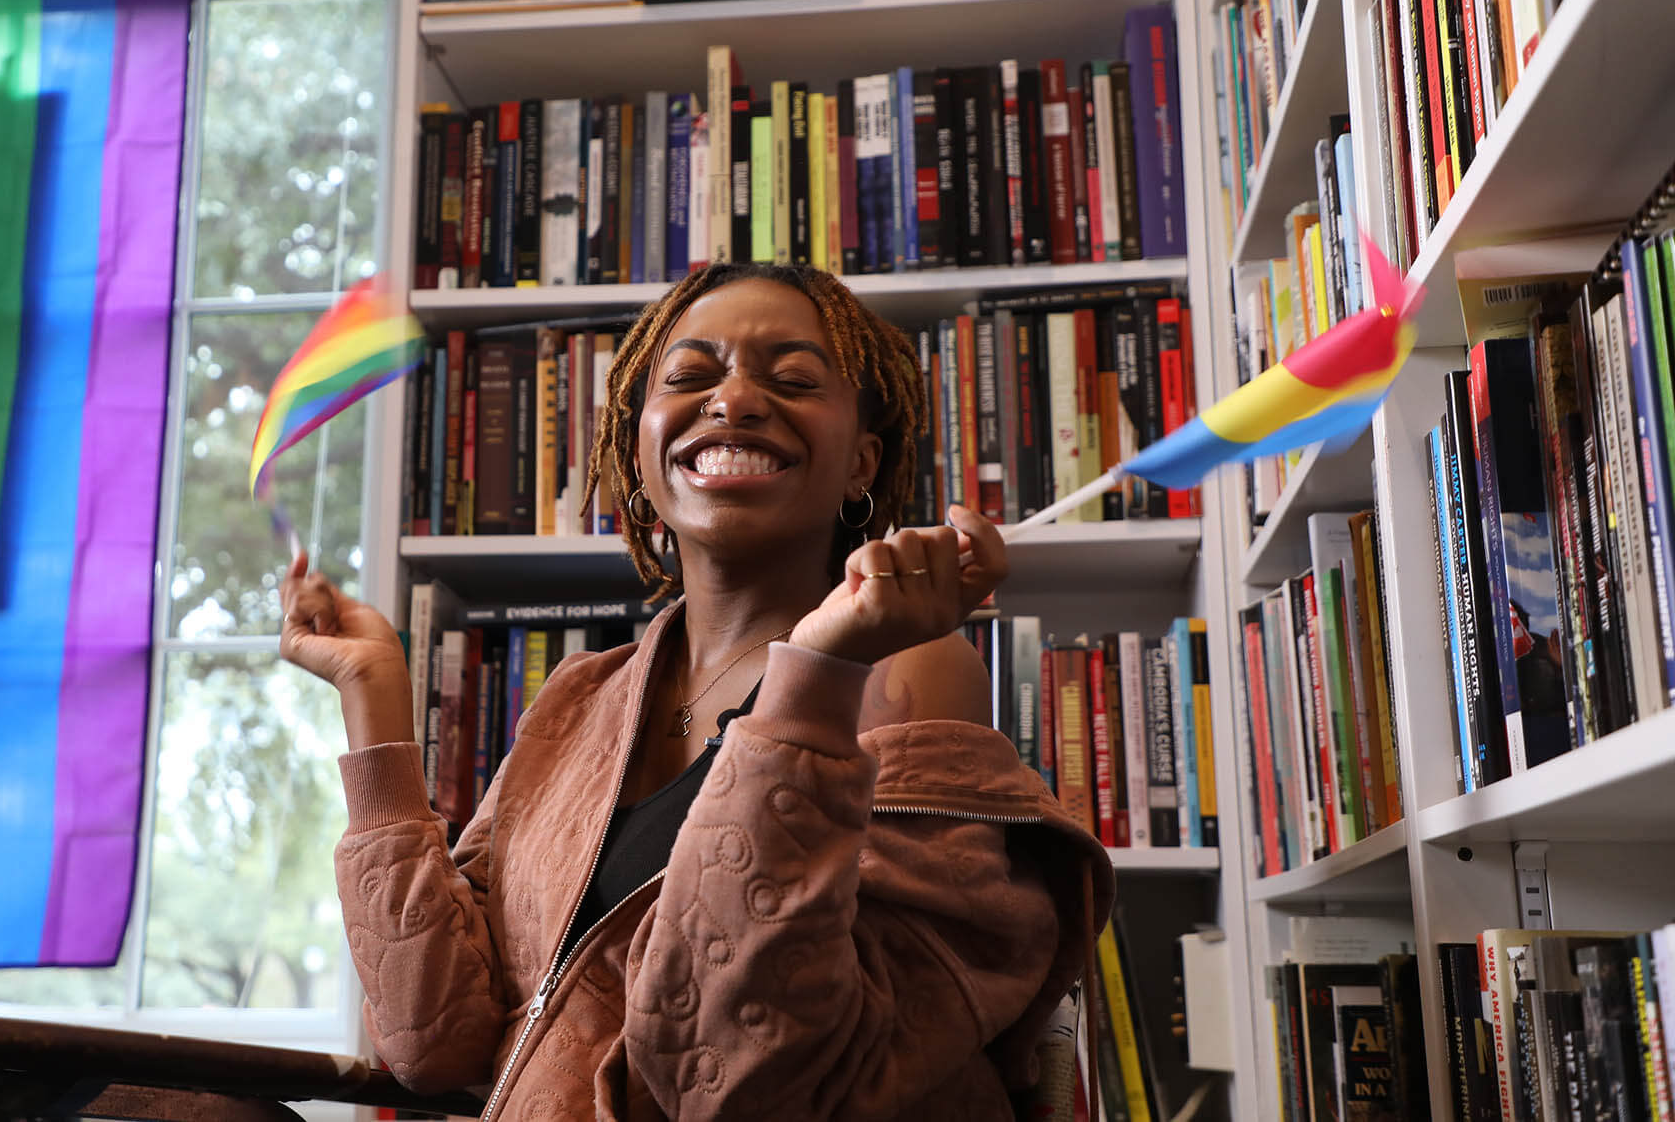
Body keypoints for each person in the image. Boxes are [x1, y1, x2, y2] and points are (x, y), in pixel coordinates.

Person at [280, 263, 1113, 1120]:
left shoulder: (905, 667)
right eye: (689, 376)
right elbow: (429, 1037)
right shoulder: (577, 698)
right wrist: (373, 697)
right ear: (640, 457)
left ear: (861, 461)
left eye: (792, 379)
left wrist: (818, 668)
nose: (737, 399)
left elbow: (745, 1076)